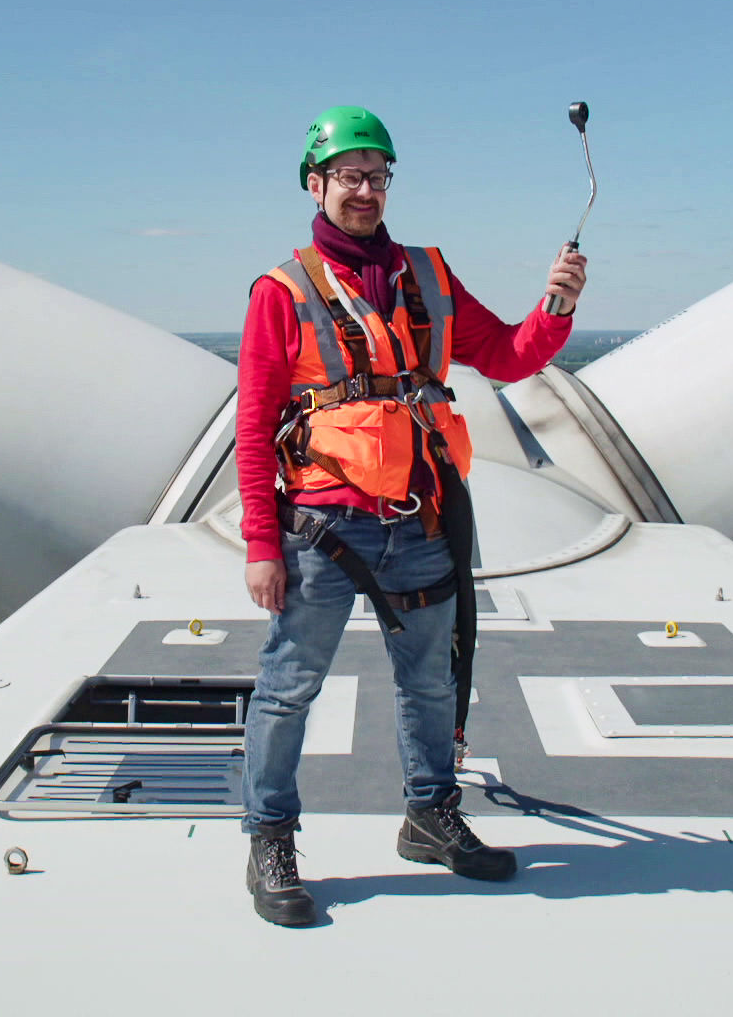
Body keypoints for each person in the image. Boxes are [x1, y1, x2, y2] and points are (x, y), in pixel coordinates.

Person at [236, 106, 586, 926]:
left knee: (431, 681)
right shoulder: (282, 292)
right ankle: (270, 841)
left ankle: (430, 815)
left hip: (419, 516)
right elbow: (253, 426)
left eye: (378, 176)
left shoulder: (426, 274)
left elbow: (506, 355)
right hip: (325, 526)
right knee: (289, 688)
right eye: (349, 176)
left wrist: (557, 307)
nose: (365, 190)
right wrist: (261, 543)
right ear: (315, 185)